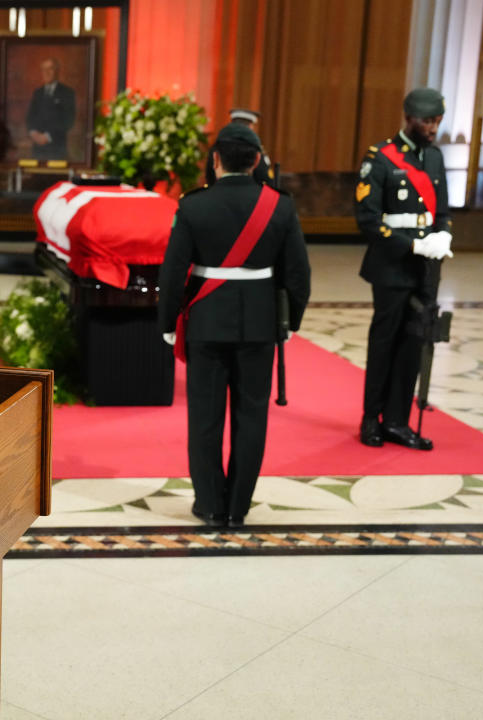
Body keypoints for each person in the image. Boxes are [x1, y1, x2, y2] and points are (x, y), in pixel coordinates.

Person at [158, 123, 310, 527]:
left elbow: (172, 271)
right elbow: (298, 274)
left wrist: (167, 319)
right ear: (257, 160)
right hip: (259, 323)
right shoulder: (280, 206)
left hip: (207, 322)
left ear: (215, 160)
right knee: (251, 416)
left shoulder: (193, 206)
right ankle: (238, 506)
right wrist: (289, 320)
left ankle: (209, 503)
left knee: (205, 418)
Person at [356, 87, 453, 451]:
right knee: (384, 342)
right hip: (392, 266)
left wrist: (443, 236)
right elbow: (367, 219)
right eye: (427, 121)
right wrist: (412, 244)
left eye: (437, 121)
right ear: (408, 119)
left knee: (414, 342)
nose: (432, 128)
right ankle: (371, 418)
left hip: (427, 268)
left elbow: (441, 212)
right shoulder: (379, 158)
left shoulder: (436, 159)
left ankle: (397, 420)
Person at [203, 108, 275, 187]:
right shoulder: (253, 149)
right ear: (250, 127)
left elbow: (209, 176)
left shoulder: (217, 147)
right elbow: (266, 179)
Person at [25, 57, 76, 161]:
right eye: (44, 69)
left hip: (57, 149)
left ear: (57, 71)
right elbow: (30, 117)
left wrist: (47, 136)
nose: (46, 73)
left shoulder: (67, 93)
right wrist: (33, 133)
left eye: (50, 69)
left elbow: (68, 120)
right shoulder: (37, 93)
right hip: (37, 150)